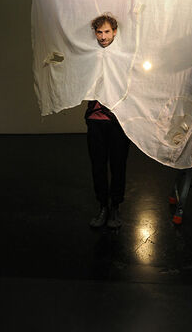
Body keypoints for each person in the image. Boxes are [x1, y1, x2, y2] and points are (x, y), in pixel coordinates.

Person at [85, 13, 130, 229]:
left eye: (107, 32)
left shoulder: (123, 57)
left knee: (118, 165)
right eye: (99, 32)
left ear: (115, 32)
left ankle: (115, 208)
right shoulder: (90, 56)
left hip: (119, 122)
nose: (103, 36)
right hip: (96, 121)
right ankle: (103, 206)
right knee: (98, 166)